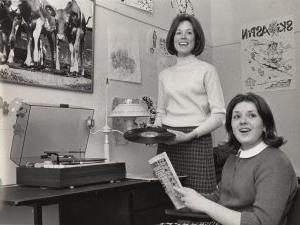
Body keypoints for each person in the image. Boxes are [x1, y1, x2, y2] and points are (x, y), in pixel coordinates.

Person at [175, 92, 298, 225]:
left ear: (264, 125)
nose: (243, 121)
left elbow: (262, 222)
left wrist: (203, 204)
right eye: (237, 116)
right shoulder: (233, 158)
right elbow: (220, 198)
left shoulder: (275, 163)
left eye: (252, 115)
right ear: (231, 127)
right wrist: (190, 198)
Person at [154, 14, 225, 193]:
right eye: (178, 33)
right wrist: (154, 132)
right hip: (167, 141)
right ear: (172, 38)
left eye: (189, 33)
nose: (183, 37)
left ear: (196, 38)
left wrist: (190, 135)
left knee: (202, 199)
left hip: (197, 140)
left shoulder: (207, 70)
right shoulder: (164, 75)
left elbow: (219, 115)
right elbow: (160, 111)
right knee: (167, 199)